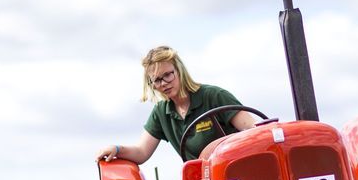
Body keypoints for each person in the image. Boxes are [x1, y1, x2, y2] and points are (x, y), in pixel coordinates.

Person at [97, 45, 256, 163]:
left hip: (231, 171)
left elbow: (252, 131)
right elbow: (141, 152)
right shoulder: (161, 112)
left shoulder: (214, 96)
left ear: (179, 71)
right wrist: (116, 149)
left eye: (167, 75)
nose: (163, 83)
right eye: (157, 80)